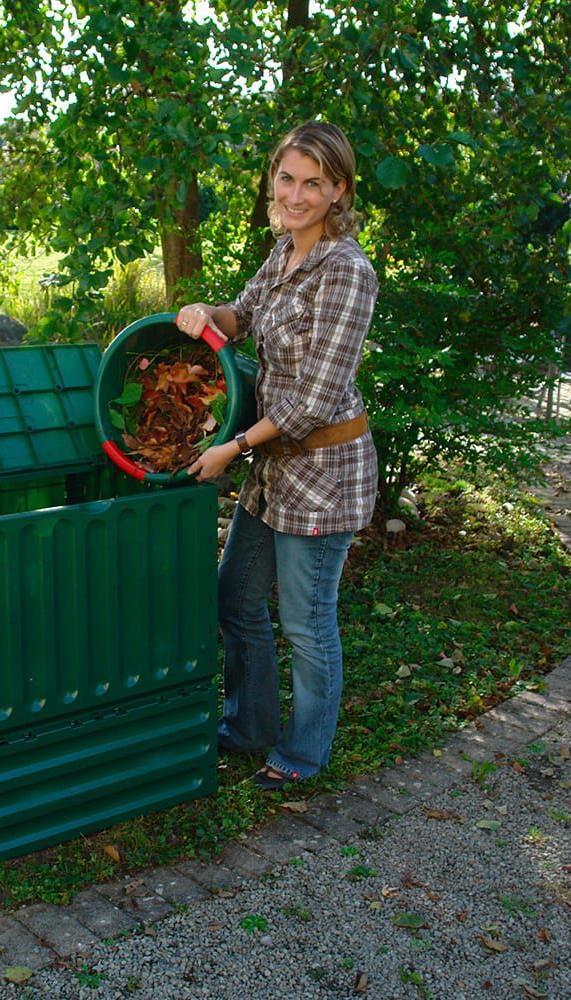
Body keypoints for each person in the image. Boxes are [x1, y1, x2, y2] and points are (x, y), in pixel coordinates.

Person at [175, 120, 378, 792]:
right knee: (233, 595)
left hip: (322, 474)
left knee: (307, 621)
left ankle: (303, 751)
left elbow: (313, 401)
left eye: (312, 182)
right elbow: (244, 314)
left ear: (338, 190)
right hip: (274, 469)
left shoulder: (347, 271)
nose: (295, 193)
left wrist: (229, 448)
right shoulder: (285, 251)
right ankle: (248, 724)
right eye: (286, 178)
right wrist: (206, 312)